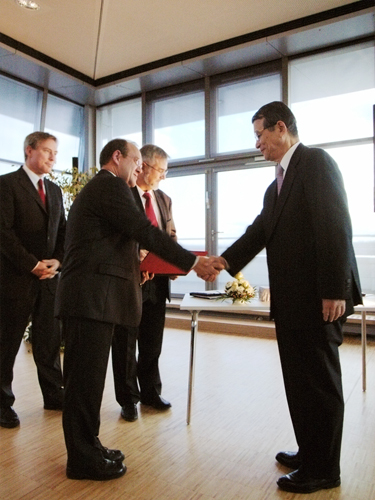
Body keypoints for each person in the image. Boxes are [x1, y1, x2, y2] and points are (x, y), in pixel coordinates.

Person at [213, 101, 362, 494]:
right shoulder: (274, 185)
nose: (257, 143)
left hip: (319, 299)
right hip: (292, 302)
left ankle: (325, 469)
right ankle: (310, 450)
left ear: (282, 128)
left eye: (260, 134)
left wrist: (334, 289)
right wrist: (223, 261)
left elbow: (335, 224)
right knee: (298, 382)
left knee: (320, 383)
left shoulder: (315, 162)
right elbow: (258, 232)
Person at [55, 138, 221, 481]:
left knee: (88, 382)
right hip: (90, 299)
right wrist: (193, 263)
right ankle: (82, 459)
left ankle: (89, 446)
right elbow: (144, 231)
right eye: (136, 161)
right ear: (117, 158)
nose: (140, 169)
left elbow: (122, 240)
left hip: (95, 299)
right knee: (84, 384)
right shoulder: (108, 186)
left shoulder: (110, 189)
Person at [0, 132, 66, 428]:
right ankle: (2, 404)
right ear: (29, 150)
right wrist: (32, 264)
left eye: (55, 153)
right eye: (48, 151)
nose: (53, 158)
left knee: (49, 342)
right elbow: (3, 234)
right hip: (15, 280)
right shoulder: (6, 185)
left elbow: (63, 232)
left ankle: (54, 395)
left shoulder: (54, 191)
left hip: (49, 279)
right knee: (7, 344)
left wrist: (58, 261)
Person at [112, 144, 177, 422]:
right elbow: (117, 236)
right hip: (131, 280)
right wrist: (136, 258)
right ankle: (128, 398)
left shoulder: (164, 199)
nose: (163, 176)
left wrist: (174, 262)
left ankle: (151, 391)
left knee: (153, 341)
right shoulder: (122, 195)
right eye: (160, 170)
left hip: (158, 281)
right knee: (126, 341)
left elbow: (170, 234)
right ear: (145, 166)